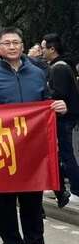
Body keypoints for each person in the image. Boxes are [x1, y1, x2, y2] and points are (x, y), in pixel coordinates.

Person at [0, 27, 67, 244]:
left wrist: (58, 107)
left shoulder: (37, 73)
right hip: (3, 148)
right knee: (5, 201)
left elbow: (46, 102)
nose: (12, 46)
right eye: (6, 43)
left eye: (16, 42)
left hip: (32, 148)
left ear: (23, 45)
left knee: (33, 200)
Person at [42, 33, 79, 207]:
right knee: (58, 154)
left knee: (66, 154)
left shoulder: (59, 68)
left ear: (52, 49)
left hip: (64, 118)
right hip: (65, 118)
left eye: (44, 48)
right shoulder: (62, 66)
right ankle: (56, 186)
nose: (42, 51)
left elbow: (59, 94)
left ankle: (76, 190)